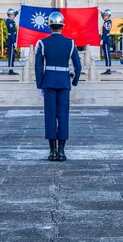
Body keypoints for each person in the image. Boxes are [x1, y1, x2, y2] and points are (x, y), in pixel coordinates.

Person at [35, 12, 82, 162]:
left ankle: (52, 151)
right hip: (63, 82)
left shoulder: (42, 43)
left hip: (48, 82)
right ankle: (61, 151)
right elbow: (78, 66)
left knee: (50, 115)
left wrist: (40, 84)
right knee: (63, 115)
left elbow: (38, 67)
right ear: (63, 26)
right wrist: (74, 82)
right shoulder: (70, 43)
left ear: (49, 26)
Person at [5, 8, 19, 75]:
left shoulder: (10, 20)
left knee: (12, 56)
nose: (14, 16)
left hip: (11, 41)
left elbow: (15, 14)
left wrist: (18, 11)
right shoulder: (10, 22)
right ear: (10, 15)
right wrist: (14, 42)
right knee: (11, 56)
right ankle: (10, 70)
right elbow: (12, 33)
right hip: (11, 41)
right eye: (13, 15)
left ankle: (11, 69)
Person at [100, 9, 112, 74]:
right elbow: (104, 18)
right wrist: (101, 12)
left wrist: (102, 39)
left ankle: (108, 69)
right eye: (104, 15)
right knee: (106, 54)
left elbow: (105, 32)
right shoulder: (106, 21)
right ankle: (107, 68)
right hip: (105, 39)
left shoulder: (108, 22)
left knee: (107, 55)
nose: (104, 16)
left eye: (105, 15)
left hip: (106, 39)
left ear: (108, 16)